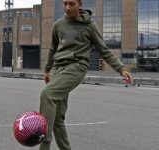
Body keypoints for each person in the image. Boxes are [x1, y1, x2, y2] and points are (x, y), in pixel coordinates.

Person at [39, 0, 133, 150]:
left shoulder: (90, 26)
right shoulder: (59, 24)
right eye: (64, 4)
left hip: (76, 67)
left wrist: (121, 69)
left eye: (71, 4)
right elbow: (53, 49)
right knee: (57, 117)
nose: (67, 8)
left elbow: (104, 51)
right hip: (58, 69)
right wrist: (46, 70)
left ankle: (44, 144)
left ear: (80, 4)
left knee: (47, 94)